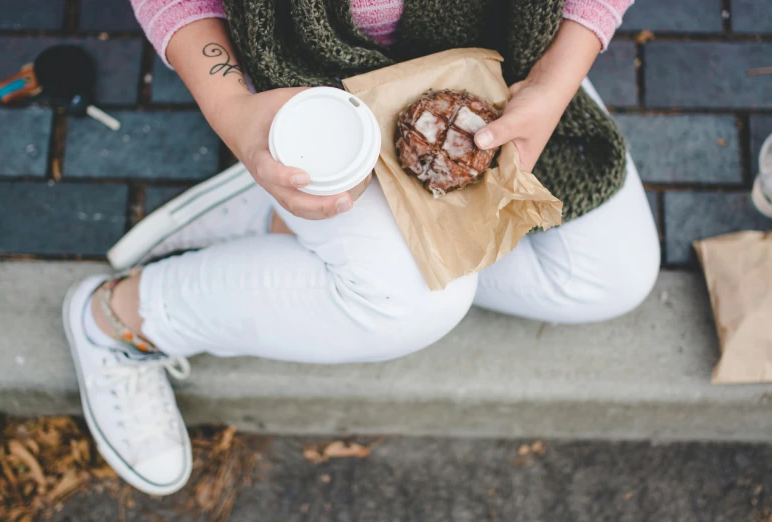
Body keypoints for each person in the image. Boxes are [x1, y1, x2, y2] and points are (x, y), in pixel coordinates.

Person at [62, 0, 659, 495]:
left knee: (613, 277)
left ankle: (288, 225)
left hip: (495, 59)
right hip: (315, 91)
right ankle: (119, 322)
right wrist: (233, 112)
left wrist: (556, 80)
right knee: (419, 302)